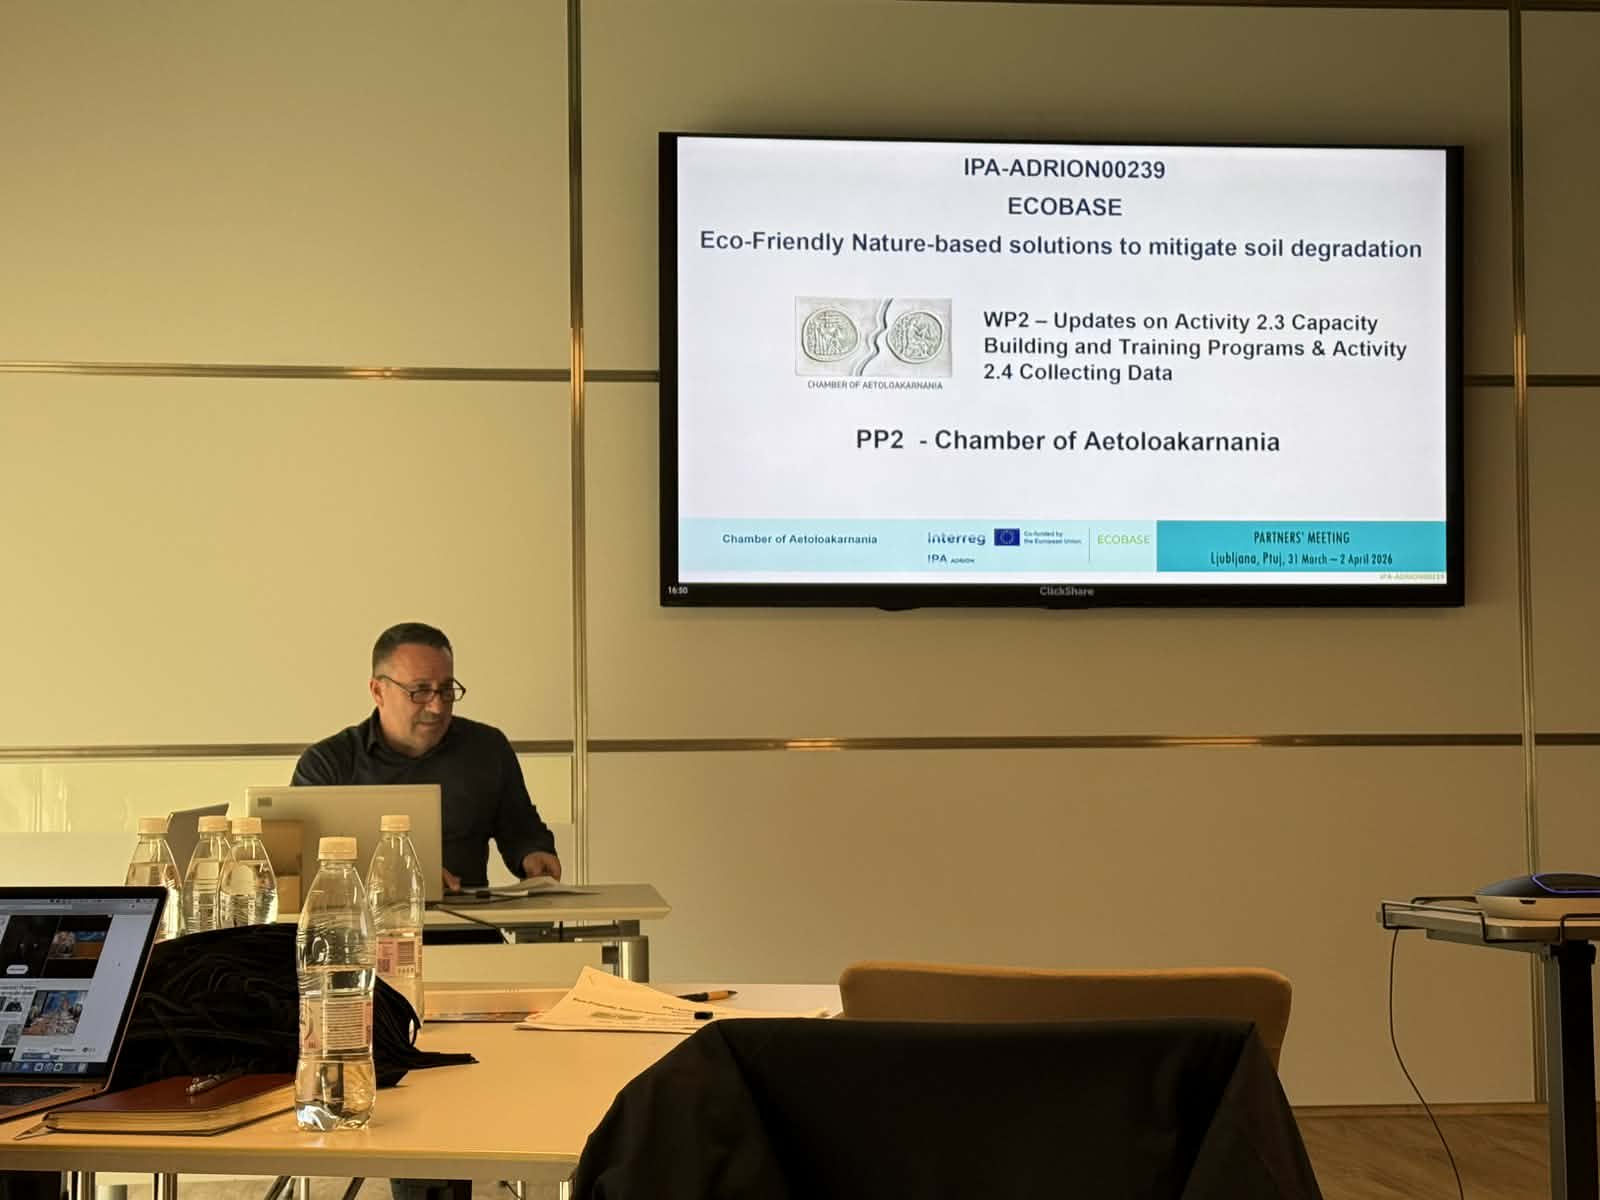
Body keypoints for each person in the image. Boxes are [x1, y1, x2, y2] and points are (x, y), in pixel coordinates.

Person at [292, 621, 560, 892]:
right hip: (364, 917)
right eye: (420, 691)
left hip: (467, 917)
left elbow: (520, 827)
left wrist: (533, 853)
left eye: (446, 690)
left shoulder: (487, 748)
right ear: (378, 691)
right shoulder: (326, 764)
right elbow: (303, 865)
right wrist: (403, 878)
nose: (437, 706)